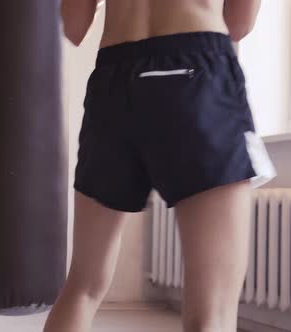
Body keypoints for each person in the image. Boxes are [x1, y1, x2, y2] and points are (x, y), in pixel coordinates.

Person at [43, 1, 277, 332]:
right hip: (196, 67)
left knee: (83, 285)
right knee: (211, 313)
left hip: (113, 79)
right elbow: (240, 23)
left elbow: (74, 26)